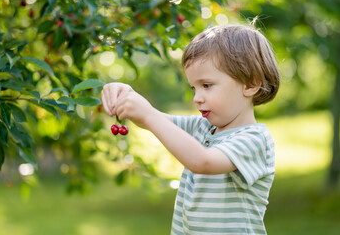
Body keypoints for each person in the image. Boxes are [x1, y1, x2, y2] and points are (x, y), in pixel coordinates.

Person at [101, 24, 280, 235]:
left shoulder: (255, 139)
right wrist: (128, 96)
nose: (197, 98)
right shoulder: (203, 127)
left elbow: (202, 161)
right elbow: (157, 122)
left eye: (206, 85)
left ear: (250, 84)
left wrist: (148, 114)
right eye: (193, 87)